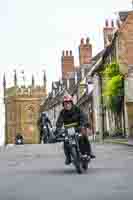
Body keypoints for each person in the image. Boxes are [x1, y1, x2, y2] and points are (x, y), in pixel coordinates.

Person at [55, 94, 95, 165]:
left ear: (71, 103)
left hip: (78, 128)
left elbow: (83, 117)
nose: (67, 105)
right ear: (63, 105)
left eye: (68, 103)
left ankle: (89, 152)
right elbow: (59, 122)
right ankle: (68, 157)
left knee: (84, 137)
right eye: (65, 103)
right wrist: (58, 129)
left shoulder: (77, 109)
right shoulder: (62, 112)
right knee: (65, 141)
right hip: (68, 130)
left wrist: (84, 125)